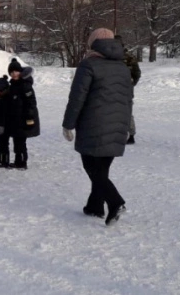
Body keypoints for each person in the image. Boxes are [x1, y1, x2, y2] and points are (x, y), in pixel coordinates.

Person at [62, 28, 132, 226]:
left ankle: (115, 201)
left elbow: (77, 98)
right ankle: (95, 206)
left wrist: (68, 124)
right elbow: (129, 99)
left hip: (93, 124)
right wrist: (126, 126)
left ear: (93, 44)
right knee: (102, 168)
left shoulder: (88, 65)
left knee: (92, 168)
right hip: (118, 123)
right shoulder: (122, 67)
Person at [5, 58, 39, 169]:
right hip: (16, 118)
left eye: (16, 71)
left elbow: (31, 102)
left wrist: (29, 117)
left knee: (20, 141)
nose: (14, 74)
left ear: (20, 72)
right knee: (17, 140)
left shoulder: (24, 85)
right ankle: (18, 160)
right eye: (11, 72)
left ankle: (22, 162)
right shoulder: (13, 85)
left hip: (23, 118)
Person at [115, 35, 141, 144]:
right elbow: (137, 73)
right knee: (125, 112)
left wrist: (131, 84)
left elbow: (137, 73)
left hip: (122, 88)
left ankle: (130, 134)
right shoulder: (128, 56)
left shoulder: (127, 57)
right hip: (122, 88)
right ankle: (129, 134)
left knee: (124, 112)